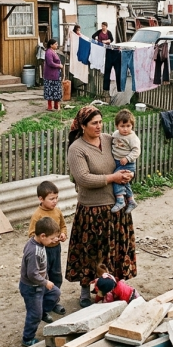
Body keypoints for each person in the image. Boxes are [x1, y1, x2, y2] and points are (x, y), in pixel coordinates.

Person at [66, 105, 137, 308]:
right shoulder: (77, 149)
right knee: (91, 252)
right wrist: (112, 178)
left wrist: (129, 174)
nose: (99, 126)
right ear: (83, 125)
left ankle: (114, 288)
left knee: (113, 251)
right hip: (92, 210)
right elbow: (83, 178)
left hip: (116, 207)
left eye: (100, 122)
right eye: (94, 123)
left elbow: (127, 158)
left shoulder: (109, 139)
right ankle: (85, 289)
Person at [19, 217, 63, 347]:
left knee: (55, 293)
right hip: (32, 287)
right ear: (43, 235)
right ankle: (27, 339)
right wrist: (45, 282)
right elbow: (32, 274)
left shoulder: (38, 242)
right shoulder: (34, 251)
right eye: (51, 238)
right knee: (34, 315)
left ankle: (42, 310)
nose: (53, 241)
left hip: (40, 284)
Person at [28, 180, 68, 315]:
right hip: (43, 252)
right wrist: (47, 241)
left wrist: (62, 234)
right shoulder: (37, 216)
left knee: (56, 276)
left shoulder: (57, 212)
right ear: (41, 199)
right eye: (51, 199)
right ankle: (42, 307)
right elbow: (32, 234)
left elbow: (63, 225)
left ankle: (53, 301)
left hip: (56, 250)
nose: (55, 201)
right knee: (44, 277)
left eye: (56, 198)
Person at [110, 110, 140, 214]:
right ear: (117, 126)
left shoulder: (132, 138)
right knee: (124, 181)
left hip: (128, 163)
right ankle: (131, 200)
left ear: (132, 126)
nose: (125, 129)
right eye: (122, 126)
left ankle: (120, 200)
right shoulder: (115, 134)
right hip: (118, 162)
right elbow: (113, 143)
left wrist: (127, 158)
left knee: (117, 179)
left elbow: (136, 151)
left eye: (128, 126)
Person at [43, 39, 63, 111]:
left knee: (56, 90)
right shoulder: (48, 52)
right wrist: (59, 65)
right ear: (51, 45)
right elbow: (50, 63)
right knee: (50, 90)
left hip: (55, 75)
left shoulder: (53, 51)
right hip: (50, 75)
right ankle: (49, 106)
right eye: (55, 44)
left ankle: (56, 105)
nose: (57, 45)